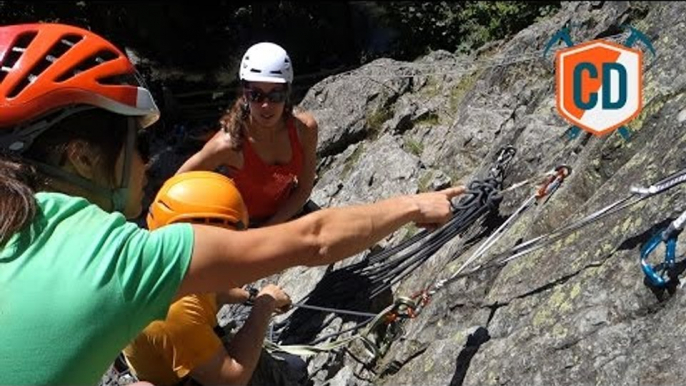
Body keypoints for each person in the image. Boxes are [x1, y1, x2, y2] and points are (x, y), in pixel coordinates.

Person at [0, 23, 464, 385]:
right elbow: (315, 239)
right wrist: (413, 206)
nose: (148, 162)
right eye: (139, 145)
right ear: (80, 158)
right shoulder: (116, 260)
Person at [123, 171, 297, 386]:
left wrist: (251, 296)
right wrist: (265, 304)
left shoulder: (170, 266)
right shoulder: (173, 309)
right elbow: (232, 379)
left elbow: (211, 292)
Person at [176, 42, 318, 227]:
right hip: (240, 227)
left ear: (287, 92)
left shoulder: (305, 130)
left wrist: (270, 228)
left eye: (275, 95)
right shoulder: (227, 144)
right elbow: (176, 186)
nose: (266, 105)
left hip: (283, 217)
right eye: (256, 95)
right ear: (245, 94)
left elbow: (303, 189)